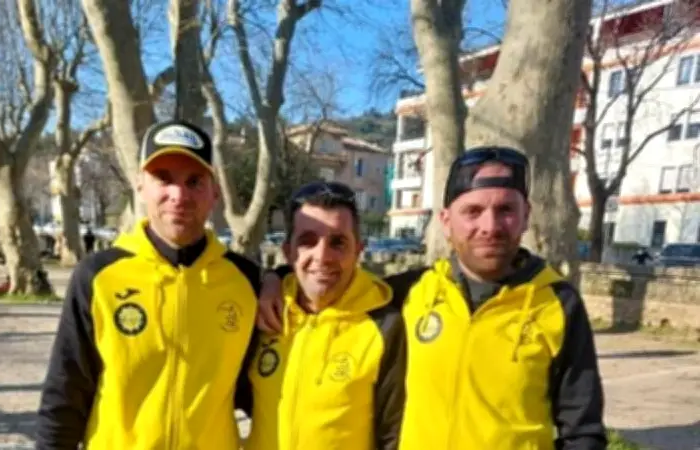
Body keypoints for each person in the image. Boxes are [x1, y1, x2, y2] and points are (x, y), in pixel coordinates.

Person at [258, 147, 608, 450]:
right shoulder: (411, 291)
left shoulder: (559, 303)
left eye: (505, 210)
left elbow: (583, 431)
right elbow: (329, 276)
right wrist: (273, 279)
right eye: (472, 211)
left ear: (526, 216)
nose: (490, 225)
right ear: (446, 221)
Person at [35, 120, 262, 449]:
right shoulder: (98, 276)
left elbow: (265, 390)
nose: (179, 195)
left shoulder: (247, 281)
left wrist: (279, 279)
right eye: (163, 178)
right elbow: (65, 395)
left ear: (214, 192)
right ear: (140, 185)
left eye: (194, 181)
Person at [239, 181, 407, 450]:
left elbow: (393, 435)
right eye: (307, 242)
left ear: (358, 251)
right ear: (288, 251)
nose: (322, 256)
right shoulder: (264, 311)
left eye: (337, 243)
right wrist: (273, 278)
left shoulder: (385, 326)